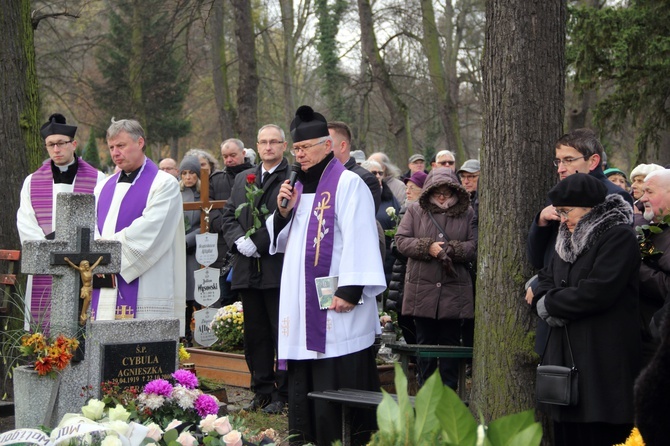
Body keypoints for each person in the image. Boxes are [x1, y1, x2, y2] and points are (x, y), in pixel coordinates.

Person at [268, 106, 386, 445]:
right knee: (304, 382)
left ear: (327, 146)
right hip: (302, 307)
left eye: (305, 148)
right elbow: (280, 243)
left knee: (336, 379)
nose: (299, 155)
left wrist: (350, 290)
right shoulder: (297, 189)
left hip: (337, 307)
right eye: (297, 149)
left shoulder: (349, 184)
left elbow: (361, 236)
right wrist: (282, 213)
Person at [528, 173, 640, 446]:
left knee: (600, 432)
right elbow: (545, 276)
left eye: (567, 211)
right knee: (566, 432)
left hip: (602, 356)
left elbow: (598, 291)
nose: (562, 219)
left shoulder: (619, 237)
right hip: (565, 355)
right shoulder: (566, 235)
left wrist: (548, 303)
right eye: (560, 212)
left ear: (592, 208)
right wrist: (547, 296)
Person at [220, 124, 290, 414]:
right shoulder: (243, 179)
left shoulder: (291, 177)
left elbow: (288, 217)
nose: (269, 147)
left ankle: (284, 393)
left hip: (277, 269)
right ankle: (261, 391)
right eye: (263, 142)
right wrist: (239, 242)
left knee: (281, 334)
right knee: (255, 335)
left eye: (274, 142)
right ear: (257, 146)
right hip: (249, 270)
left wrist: (258, 243)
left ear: (284, 146)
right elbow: (227, 216)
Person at [92, 119, 186, 335]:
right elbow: (91, 227)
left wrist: (104, 252)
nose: (115, 152)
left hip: (146, 280)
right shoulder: (102, 187)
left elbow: (151, 229)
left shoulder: (164, 184)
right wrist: (99, 250)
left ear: (140, 142)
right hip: (105, 282)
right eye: (112, 147)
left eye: (121, 146)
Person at [17, 113, 105, 329]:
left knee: (80, 324)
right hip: (47, 260)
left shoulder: (98, 179)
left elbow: (101, 219)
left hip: (81, 260)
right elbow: (25, 221)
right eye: (50, 145)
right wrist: (50, 248)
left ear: (73, 144)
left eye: (61, 144)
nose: (56, 149)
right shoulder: (32, 181)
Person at [395, 168, 476, 389]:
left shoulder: (467, 212)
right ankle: (425, 397)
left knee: (451, 346)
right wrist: (426, 247)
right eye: (437, 191)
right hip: (422, 291)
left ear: (455, 192)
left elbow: (474, 245)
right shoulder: (414, 210)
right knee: (425, 347)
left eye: (447, 192)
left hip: (454, 290)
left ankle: (450, 396)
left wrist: (451, 250)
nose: (442, 196)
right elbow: (401, 241)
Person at [209, 139, 254, 307]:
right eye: (225, 156)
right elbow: (209, 209)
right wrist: (227, 226)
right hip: (223, 249)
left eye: (233, 155)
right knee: (226, 300)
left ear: (243, 153)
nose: (228, 160)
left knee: (249, 299)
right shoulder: (216, 179)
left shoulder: (255, 175)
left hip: (249, 244)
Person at [386, 170, 427, 348]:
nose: (408, 191)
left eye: (413, 188)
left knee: (413, 320)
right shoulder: (404, 208)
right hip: (401, 270)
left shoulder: (424, 212)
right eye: (407, 187)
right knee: (403, 318)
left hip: (415, 271)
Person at [636, 170, 670, 364]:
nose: (642, 199)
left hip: (657, 340)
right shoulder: (646, 229)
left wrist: (636, 269)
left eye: (649, 192)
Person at [361, 159, 400, 285]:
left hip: (389, 258)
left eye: (380, 173)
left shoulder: (390, 198)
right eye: (373, 173)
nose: (377, 176)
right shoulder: (359, 196)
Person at [328, 121, 381, 211]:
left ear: (342, 146)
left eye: (327, 144)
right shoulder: (319, 177)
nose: (321, 149)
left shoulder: (366, 179)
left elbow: (363, 218)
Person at [179, 155, 203, 344]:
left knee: (197, 292)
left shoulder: (202, 195)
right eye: (184, 173)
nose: (188, 177)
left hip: (195, 251)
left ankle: (202, 332)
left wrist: (188, 240)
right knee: (183, 294)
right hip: (178, 250)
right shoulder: (176, 194)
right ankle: (185, 333)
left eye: (192, 173)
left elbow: (206, 223)